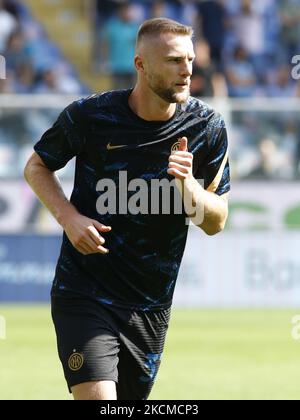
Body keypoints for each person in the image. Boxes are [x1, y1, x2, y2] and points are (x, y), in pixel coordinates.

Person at [24, 18, 230, 400]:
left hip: (149, 307)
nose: (186, 70)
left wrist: (188, 188)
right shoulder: (90, 116)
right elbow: (36, 166)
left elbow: (216, 222)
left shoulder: (207, 128)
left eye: (188, 59)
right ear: (140, 65)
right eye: (172, 61)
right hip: (85, 291)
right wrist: (69, 218)